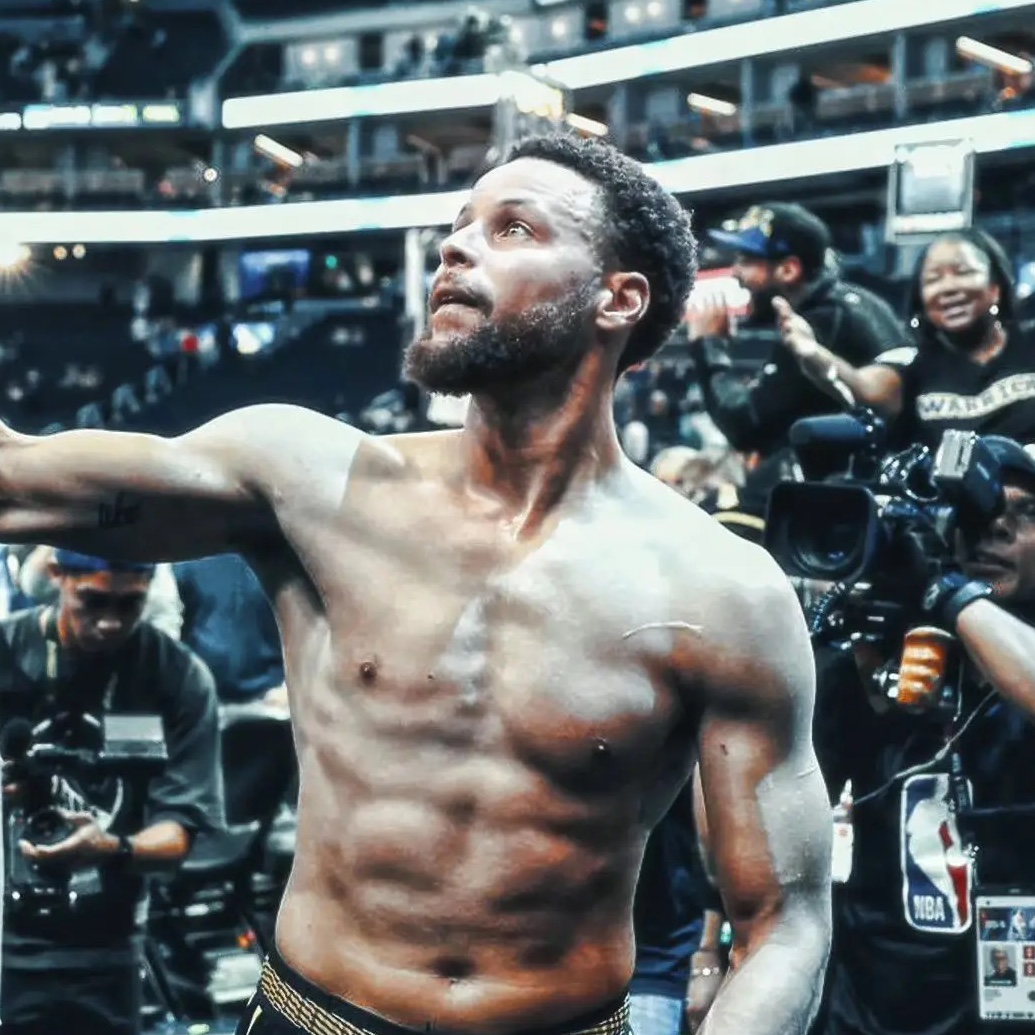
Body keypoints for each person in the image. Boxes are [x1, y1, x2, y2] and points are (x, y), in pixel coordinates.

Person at [0, 133, 830, 1035]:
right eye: (458, 224)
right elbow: (18, 481)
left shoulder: (723, 591)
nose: (455, 246)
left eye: (512, 228)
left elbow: (782, 923)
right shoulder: (309, 480)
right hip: (314, 1016)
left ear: (618, 297)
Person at [809, 436, 1035, 1035]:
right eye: (976, 515)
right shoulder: (875, 650)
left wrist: (945, 590)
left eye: (1026, 513)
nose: (996, 529)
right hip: (878, 1006)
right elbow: (759, 817)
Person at [0, 550, 224, 1035]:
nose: (109, 623)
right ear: (58, 574)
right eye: (93, 601)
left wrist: (112, 849)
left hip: (107, 940)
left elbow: (176, 837)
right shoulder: (7, 653)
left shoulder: (175, 677)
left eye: (129, 605)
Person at [688, 204, 903, 502]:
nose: (735, 272)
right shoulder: (856, 303)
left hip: (842, 503)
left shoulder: (820, 323)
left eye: (746, 261)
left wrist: (709, 346)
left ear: (789, 269)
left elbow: (745, 427)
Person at [776, 227, 1035, 450]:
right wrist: (814, 354)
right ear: (922, 300)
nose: (948, 287)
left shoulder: (1029, 344)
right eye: (933, 279)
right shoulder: (913, 364)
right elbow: (862, 386)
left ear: (995, 288)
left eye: (963, 272)